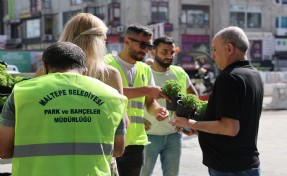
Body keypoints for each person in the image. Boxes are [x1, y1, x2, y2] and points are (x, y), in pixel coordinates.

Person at [0, 42, 128, 176]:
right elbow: (118, 150)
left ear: (44, 67)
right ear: (84, 70)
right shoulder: (112, 96)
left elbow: (4, 150)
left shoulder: (22, 92)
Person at [34, 13, 127, 175]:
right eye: (104, 40)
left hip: (54, 162)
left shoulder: (45, 71)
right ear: (97, 42)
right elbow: (122, 124)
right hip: (97, 164)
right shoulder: (109, 75)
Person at [170, 26, 264, 176]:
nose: (212, 55)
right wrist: (200, 128)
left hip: (229, 168)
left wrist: (188, 123)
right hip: (246, 164)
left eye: (214, 49)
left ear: (228, 48)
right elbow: (235, 118)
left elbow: (230, 128)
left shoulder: (229, 77)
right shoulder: (254, 74)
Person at [105, 24, 170, 176]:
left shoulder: (145, 69)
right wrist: (146, 90)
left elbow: (149, 102)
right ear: (127, 41)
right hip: (111, 138)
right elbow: (108, 93)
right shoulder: (106, 63)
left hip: (136, 141)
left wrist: (158, 110)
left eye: (148, 45)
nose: (145, 50)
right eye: (142, 44)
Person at [140, 36, 198, 176]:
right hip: (148, 136)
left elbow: (193, 97)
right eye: (164, 52)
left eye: (172, 52)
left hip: (174, 136)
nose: (169, 56)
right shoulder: (143, 72)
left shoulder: (179, 72)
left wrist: (187, 123)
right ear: (153, 52)